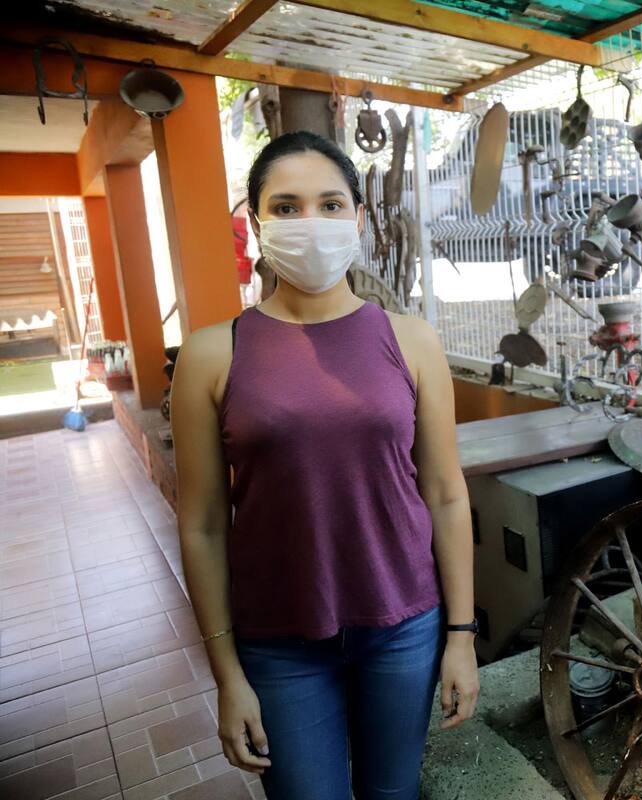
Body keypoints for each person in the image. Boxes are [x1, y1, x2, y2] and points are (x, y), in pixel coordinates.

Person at [170, 130, 479, 800]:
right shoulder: (210, 355)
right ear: (255, 224)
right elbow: (200, 525)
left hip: (404, 628)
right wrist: (227, 674)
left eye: (331, 204)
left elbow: (446, 494)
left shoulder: (413, 341)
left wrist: (461, 634)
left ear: (359, 218)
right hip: (278, 645)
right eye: (285, 207)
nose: (310, 222)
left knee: (393, 793)